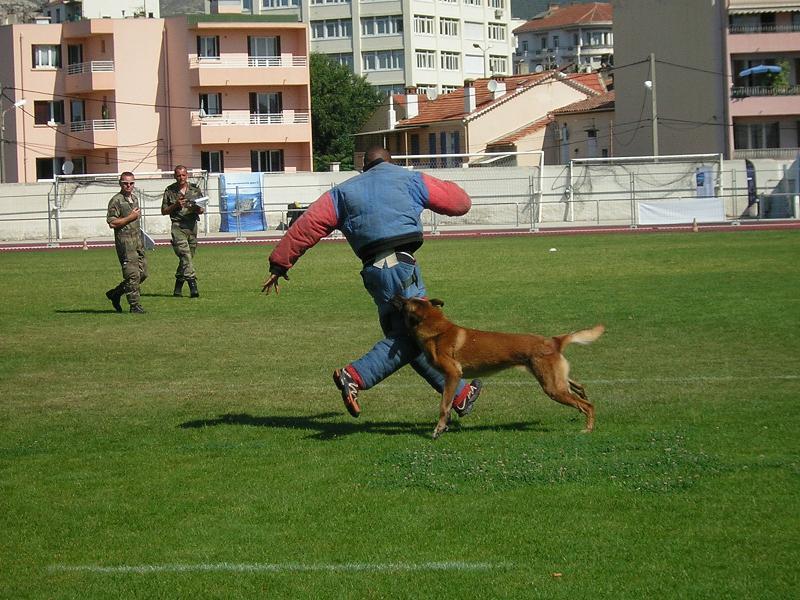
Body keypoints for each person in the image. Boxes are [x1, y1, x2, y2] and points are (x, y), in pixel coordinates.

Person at [262, 146, 482, 420]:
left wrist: (279, 263)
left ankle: (459, 394)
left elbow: (307, 226)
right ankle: (354, 375)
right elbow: (460, 203)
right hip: (401, 268)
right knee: (416, 334)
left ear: (363, 167)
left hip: (374, 274)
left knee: (408, 338)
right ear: (390, 162)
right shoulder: (410, 180)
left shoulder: (343, 192)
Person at [105, 172, 148, 314]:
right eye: (125, 183)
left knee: (143, 273)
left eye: (131, 183)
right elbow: (112, 223)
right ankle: (134, 305)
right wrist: (130, 217)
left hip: (137, 240)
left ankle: (116, 293)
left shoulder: (134, 198)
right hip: (125, 241)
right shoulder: (116, 201)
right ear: (120, 183)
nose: (129, 186)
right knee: (132, 274)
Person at [161, 165, 205, 298]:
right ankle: (193, 285)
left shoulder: (195, 189)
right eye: (179, 175)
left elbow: (202, 209)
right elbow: (164, 211)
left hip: (192, 226)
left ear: (187, 175)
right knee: (185, 255)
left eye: (183, 175)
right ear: (175, 176)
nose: (181, 178)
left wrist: (196, 208)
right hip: (178, 226)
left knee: (188, 257)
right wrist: (175, 205)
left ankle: (178, 286)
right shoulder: (170, 191)